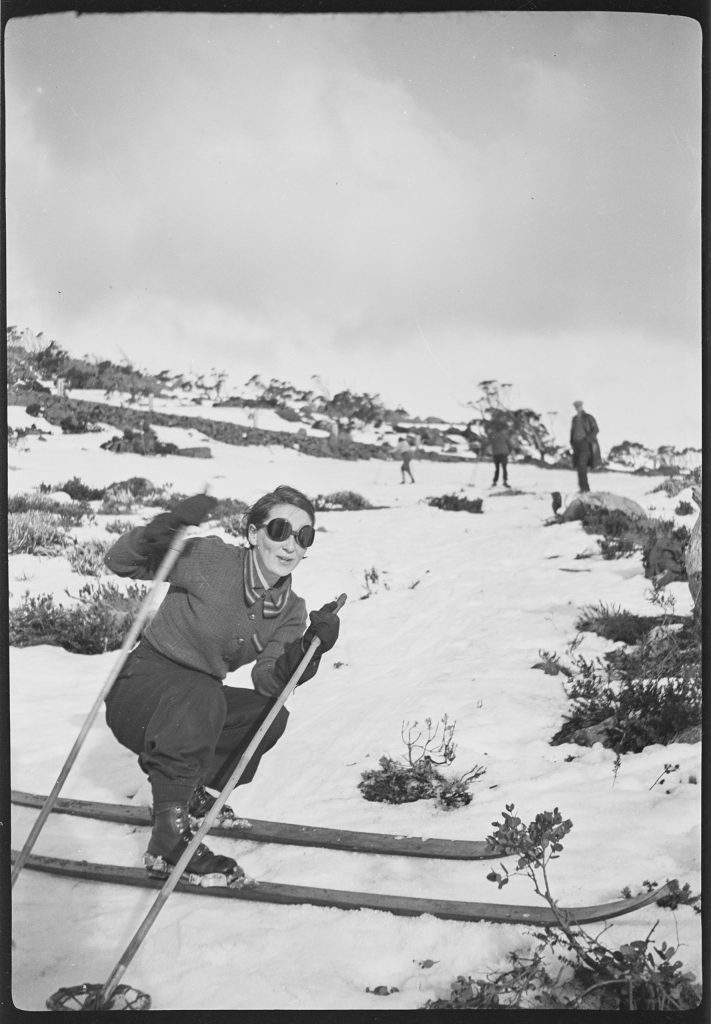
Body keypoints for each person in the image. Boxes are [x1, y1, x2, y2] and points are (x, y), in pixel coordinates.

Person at [103, 485, 341, 883]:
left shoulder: (290, 610)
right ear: (253, 533)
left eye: (304, 536)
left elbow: (267, 681)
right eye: (280, 529)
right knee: (202, 695)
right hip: (139, 691)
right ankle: (169, 838)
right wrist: (160, 531)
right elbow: (119, 562)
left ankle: (187, 789)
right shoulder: (212, 558)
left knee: (269, 715)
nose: (290, 545)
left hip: (194, 705)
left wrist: (306, 652)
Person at [569, 400, 599, 493]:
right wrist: (572, 442)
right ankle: (582, 488)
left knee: (582, 465)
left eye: (579, 407)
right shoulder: (574, 419)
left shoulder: (588, 417)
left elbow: (596, 429)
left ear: (582, 407)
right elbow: (572, 431)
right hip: (576, 445)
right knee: (579, 466)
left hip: (585, 445)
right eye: (576, 407)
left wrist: (587, 440)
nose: (577, 408)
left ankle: (585, 489)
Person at [489, 419, 511, 488]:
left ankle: (495, 482)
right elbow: (509, 444)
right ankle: (504, 481)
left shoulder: (494, 435)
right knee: (504, 468)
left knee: (497, 469)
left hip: (496, 454)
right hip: (503, 454)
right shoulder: (505, 434)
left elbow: (491, 443)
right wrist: (509, 451)